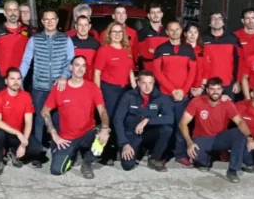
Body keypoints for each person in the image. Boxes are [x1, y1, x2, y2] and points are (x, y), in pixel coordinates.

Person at [41, 56, 109, 179]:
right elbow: (44, 111)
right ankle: (74, 154)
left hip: (88, 133)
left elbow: (102, 111)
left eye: (83, 66)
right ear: (71, 68)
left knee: (105, 134)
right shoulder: (60, 87)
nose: (80, 68)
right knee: (56, 170)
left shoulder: (92, 88)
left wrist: (105, 128)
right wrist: (54, 135)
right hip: (67, 137)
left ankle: (87, 162)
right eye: (77, 65)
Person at [178, 77, 251, 182]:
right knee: (196, 156)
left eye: (218, 89)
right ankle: (206, 161)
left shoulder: (227, 104)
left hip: (219, 138)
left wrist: (249, 137)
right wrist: (189, 142)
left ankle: (233, 170)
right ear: (207, 90)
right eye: (212, 89)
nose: (215, 92)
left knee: (240, 133)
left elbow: (240, 121)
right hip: (202, 137)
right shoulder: (197, 101)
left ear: (222, 90)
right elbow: (183, 123)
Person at [20, 9, 75, 146]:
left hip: (59, 87)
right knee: (39, 118)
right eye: (47, 19)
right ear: (43, 22)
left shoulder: (65, 39)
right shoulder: (35, 39)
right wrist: (19, 79)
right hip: (39, 86)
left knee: (58, 118)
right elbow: (26, 61)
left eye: (52, 19)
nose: (50, 22)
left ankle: (58, 147)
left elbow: (71, 61)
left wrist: (64, 76)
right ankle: (38, 150)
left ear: (56, 21)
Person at [113, 71, 174, 172]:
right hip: (131, 133)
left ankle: (155, 158)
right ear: (138, 83)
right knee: (128, 166)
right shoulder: (128, 96)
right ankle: (135, 150)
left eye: (150, 83)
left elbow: (170, 118)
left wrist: (148, 120)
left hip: (148, 132)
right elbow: (117, 120)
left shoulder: (160, 97)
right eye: (144, 83)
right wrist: (124, 143)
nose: (147, 87)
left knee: (167, 129)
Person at [153, 20, 197, 159]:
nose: (174, 32)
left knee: (181, 125)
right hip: (166, 95)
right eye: (171, 30)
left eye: (177, 29)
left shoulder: (188, 49)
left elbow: (192, 72)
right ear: (167, 32)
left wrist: (183, 91)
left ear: (181, 31)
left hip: (182, 96)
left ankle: (180, 155)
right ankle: (163, 155)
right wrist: (172, 90)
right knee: (166, 126)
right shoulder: (160, 49)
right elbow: (157, 73)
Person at [94, 21, 136, 164]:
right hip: (109, 89)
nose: (117, 34)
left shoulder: (127, 50)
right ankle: (107, 154)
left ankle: (121, 148)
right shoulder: (104, 50)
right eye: (114, 32)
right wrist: (97, 93)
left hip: (125, 89)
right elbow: (97, 73)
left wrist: (135, 89)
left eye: (120, 32)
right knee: (110, 120)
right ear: (109, 34)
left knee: (123, 119)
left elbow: (130, 70)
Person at [0, 67, 43, 174]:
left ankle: (13, 152)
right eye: (12, 79)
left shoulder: (26, 96)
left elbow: (28, 122)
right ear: (6, 81)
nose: (15, 82)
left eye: (18, 79)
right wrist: (18, 133)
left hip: (17, 135)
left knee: (37, 148)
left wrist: (23, 144)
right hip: (2, 133)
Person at [0, 0, 32, 92]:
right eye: (10, 10)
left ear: (19, 12)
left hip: (23, 76)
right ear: (5, 13)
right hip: (3, 77)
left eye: (15, 10)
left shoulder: (27, 31)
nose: (13, 13)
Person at [202, 12, 241, 99]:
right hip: (207, 84)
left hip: (227, 84)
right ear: (209, 23)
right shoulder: (202, 39)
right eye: (213, 19)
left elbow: (239, 61)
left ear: (223, 22)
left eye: (219, 18)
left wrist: (238, 82)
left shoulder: (233, 39)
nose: (216, 21)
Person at [137, 3, 168, 73]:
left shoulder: (168, 32)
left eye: (158, 12)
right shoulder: (142, 33)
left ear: (162, 14)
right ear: (148, 15)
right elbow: (144, 54)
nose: (156, 15)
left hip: (165, 71)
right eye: (153, 13)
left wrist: (154, 51)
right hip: (148, 73)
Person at [184, 23, 207, 97]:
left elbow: (206, 71)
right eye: (190, 32)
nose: (193, 35)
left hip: (200, 89)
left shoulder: (203, 50)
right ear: (185, 34)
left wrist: (201, 87)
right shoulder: (180, 50)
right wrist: (188, 88)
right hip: (183, 89)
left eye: (195, 32)